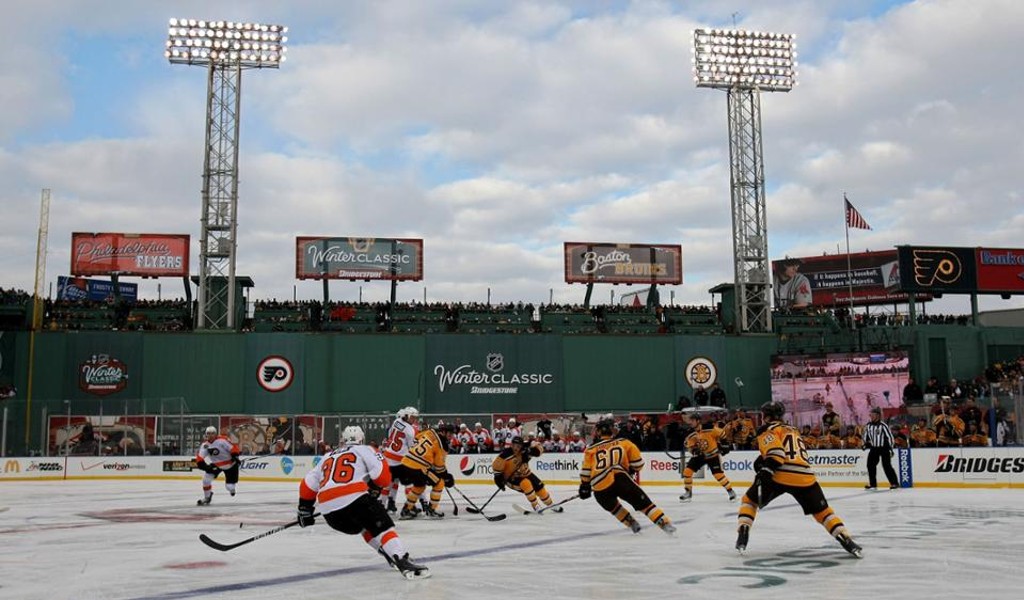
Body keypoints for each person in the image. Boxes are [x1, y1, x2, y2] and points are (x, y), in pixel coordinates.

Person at [297, 425, 430, 579]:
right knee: (384, 527)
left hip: (329, 512)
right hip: (355, 498)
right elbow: (383, 477)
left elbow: (308, 484)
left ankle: (388, 554)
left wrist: (304, 509)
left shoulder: (327, 456)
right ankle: (401, 559)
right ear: (362, 439)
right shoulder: (366, 449)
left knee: (365, 527)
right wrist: (375, 487)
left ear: (343, 439)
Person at [735, 401, 862, 558]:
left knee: (749, 501)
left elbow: (776, 455)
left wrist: (765, 471)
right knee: (823, 512)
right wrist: (762, 459)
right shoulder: (793, 429)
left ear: (766, 417)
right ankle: (845, 538)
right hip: (805, 476)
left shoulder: (767, 429)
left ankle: (744, 530)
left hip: (779, 474)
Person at [579, 417, 675, 534]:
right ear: (612, 430)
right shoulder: (624, 442)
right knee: (645, 505)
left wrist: (584, 486)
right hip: (621, 480)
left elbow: (586, 472)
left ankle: (631, 522)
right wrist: (630, 470)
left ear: (598, 432)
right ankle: (664, 523)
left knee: (614, 508)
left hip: (599, 487)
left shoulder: (590, 449)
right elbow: (638, 464)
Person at [393, 422, 455, 519]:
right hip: (418, 466)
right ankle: (431, 510)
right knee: (439, 483)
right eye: (450, 433)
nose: (451, 436)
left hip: (406, 461)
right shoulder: (442, 445)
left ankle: (406, 510)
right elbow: (439, 468)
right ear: (443, 432)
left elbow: (416, 438)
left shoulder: (430, 432)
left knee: (420, 486)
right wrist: (447, 477)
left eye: (452, 434)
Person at [492, 436, 561, 512]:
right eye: (514, 445)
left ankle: (550, 504)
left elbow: (539, 449)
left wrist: (532, 451)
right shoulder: (504, 455)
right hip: (512, 479)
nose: (516, 448)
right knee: (526, 484)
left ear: (521, 446)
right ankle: (536, 506)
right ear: (511, 445)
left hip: (526, 473)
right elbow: (497, 470)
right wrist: (498, 481)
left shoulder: (525, 447)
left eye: (518, 446)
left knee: (540, 488)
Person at [679, 413, 736, 502]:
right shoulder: (690, 432)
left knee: (718, 475)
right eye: (690, 420)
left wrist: (725, 444)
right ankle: (688, 492)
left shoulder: (709, 428)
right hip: (701, 456)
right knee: (687, 472)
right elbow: (690, 446)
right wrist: (694, 451)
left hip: (713, 455)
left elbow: (722, 433)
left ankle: (730, 491)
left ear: (698, 421)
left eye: (692, 420)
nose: (690, 422)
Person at [380, 406, 420, 513]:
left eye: (415, 418)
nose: (414, 420)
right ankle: (410, 507)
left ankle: (382, 506)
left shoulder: (396, 421)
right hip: (399, 461)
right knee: (409, 484)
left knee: (388, 484)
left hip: (387, 457)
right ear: (406, 416)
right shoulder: (410, 430)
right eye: (412, 417)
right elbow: (411, 448)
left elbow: (390, 436)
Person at [194, 425, 240, 506]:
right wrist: (206, 468)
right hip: (217, 465)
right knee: (206, 480)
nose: (210, 435)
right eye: (208, 433)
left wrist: (235, 456)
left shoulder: (222, 440)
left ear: (216, 434)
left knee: (230, 487)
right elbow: (199, 459)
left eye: (212, 433)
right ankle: (207, 497)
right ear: (206, 434)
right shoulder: (205, 445)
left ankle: (232, 489)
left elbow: (233, 448)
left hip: (231, 465)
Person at [861, 407, 899, 490]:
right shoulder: (868, 425)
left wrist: (890, 449)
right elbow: (865, 436)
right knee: (870, 465)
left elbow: (890, 437)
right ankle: (873, 484)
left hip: (884, 448)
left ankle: (894, 483)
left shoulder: (883, 425)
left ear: (878, 415)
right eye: (870, 414)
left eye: (873, 414)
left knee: (886, 465)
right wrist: (864, 444)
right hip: (874, 448)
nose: (871, 416)